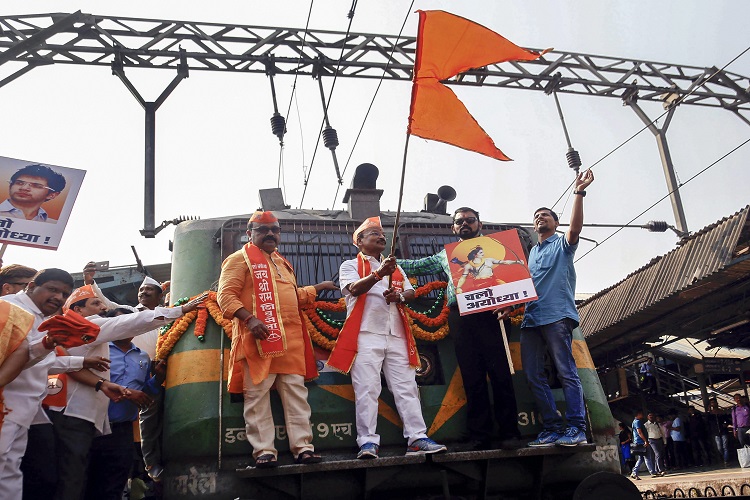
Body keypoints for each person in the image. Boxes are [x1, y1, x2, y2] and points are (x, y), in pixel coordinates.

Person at [217, 210, 337, 468]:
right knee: (257, 395)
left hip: (291, 341)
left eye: (275, 229)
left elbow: (292, 295)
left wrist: (317, 288)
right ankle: (264, 452)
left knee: (296, 394)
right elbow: (225, 297)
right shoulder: (239, 260)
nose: (270, 234)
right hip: (258, 339)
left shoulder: (282, 263)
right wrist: (250, 319)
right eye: (263, 230)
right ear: (249, 234)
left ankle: (303, 448)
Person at [398, 207, 523, 451]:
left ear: (479, 224)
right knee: (471, 375)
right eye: (459, 221)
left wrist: (512, 304)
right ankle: (480, 435)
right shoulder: (446, 255)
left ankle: (510, 432)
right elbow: (417, 267)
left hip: (494, 315)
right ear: (453, 228)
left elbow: (513, 277)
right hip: (461, 317)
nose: (465, 224)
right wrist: (385, 260)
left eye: (470, 220)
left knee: (500, 374)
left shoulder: (496, 247)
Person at [0, 269, 126, 500]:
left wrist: (53, 345)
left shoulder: (47, 320)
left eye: (63, 293)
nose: (58, 297)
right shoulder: (8, 308)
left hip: (27, 409)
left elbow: (38, 361)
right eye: (52, 289)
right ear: (30, 286)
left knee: (15, 474)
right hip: (6, 404)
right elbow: (18, 356)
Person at [331, 217, 447, 459]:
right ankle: (367, 443)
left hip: (396, 334)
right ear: (359, 241)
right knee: (367, 389)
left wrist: (399, 297)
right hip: (365, 334)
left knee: (407, 387)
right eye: (373, 233)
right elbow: (353, 289)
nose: (380, 236)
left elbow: (411, 291)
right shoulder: (349, 265)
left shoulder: (394, 266)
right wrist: (378, 274)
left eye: (382, 234)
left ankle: (417, 438)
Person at [519, 170, 594, 447]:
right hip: (531, 319)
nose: (540, 218)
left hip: (556, 317)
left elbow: (575, 229)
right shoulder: (532, 253)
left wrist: (579, 191)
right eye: (537, 216)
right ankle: (551, 427)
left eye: (546, 215)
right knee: (533, 375)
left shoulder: (563, 244)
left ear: (556, 222)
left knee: (566, 372)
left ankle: (576, 427)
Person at [85, 265, 169, 482]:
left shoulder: (166, 314)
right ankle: (151, 464)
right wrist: (91, 282)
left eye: (149, 290)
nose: (143, 293)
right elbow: (107, 304)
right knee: (145, 417)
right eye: (141, 290)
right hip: (132, 368)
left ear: (160, 295)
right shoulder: (128, 313)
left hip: (154, 366)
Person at [0, 164, 66, 223]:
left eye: (36, 185)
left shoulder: (52, 225)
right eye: (19, 183)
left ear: (52, 195)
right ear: (10, 186)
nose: (24, 188)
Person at [454, 245, 523, 294]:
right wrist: (458, 287)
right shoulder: (469, 265)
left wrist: (516, 262)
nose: (483, 254)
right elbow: (463, 277)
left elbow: (504, 262)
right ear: (475, 255)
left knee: (507, 289)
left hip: (493, 281)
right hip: (479, 284)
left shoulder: (489, 260)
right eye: (481, 252)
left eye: (483, 252)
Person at [631, 410, 654, 480]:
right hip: (641, 442)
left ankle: (634, 472)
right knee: (647, 457)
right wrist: (645, 441)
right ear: (638, 414)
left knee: (641, 459)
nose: (642, 415)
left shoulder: (634, 422)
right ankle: (653, 472)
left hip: (639, 442)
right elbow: (639, 432)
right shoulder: (637, 422)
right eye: (641, 414)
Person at [708, 397, 731, 466]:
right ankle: (723, 457)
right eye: (712, 403)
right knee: (719, 447)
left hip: (723, 431)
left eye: (714, 402)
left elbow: (727, 420)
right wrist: (709, 412)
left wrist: (725, 424)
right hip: (716, 432)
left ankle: (726, 460)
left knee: (725, 446)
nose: (713, 404)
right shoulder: (710, 414)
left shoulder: (721, 412)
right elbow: (708, 421)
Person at [644, 412, 666, 476]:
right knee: (657, 454)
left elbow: (662, 433)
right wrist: (646, 441)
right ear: (647, 417)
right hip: (652, 440)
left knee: (659, 455)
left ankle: (656, 470)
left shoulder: (657, 424)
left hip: (659, 439)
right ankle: (661, 469)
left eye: (652, 415)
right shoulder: (646, 425)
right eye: (650, 416)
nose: (651, 417)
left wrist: (665, 441)